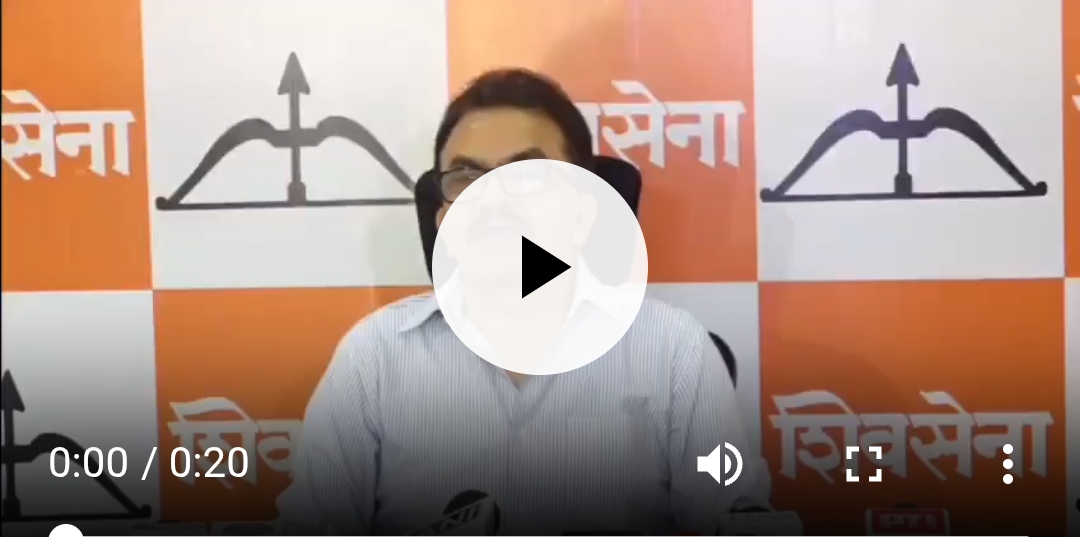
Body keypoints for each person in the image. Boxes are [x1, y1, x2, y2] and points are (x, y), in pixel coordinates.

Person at [277, 68, 771, 535]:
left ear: (583, 212)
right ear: (443, 218)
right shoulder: (376, 356)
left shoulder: (671, 351)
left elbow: (735, 512)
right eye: (467, 177)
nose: (493, 201)